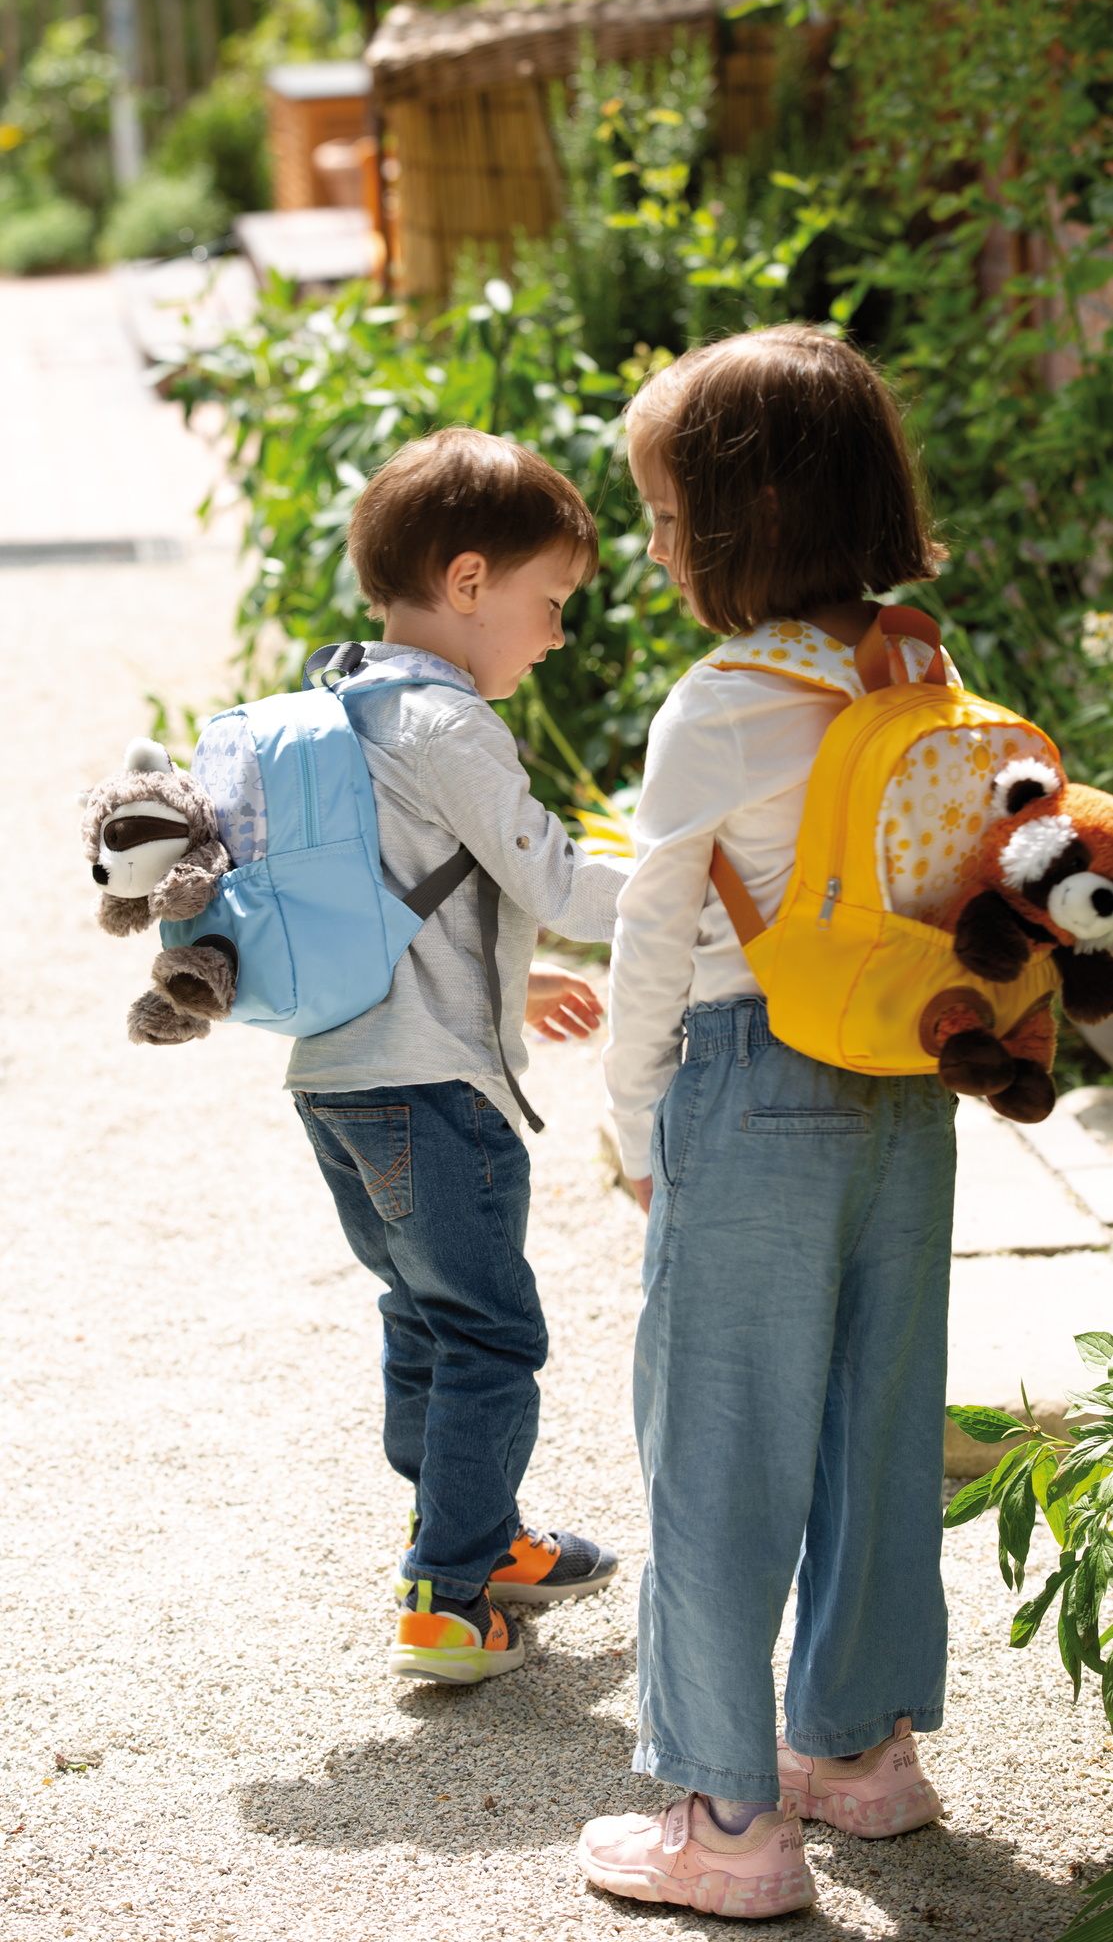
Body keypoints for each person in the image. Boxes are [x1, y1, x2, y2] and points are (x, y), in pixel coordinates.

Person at [579, 327, 957, 1919]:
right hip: (907, 1092)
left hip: (753, 1082)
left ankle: (726, 1823)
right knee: (879, 1419)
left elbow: (654, 934)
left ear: (744, 519)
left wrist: (629, 1128)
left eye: (669, 516)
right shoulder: (921, 663)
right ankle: (861, 1755)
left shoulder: (723, 703)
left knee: (718, 1452)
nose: (657, 549)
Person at [288, 428, 627, 1687]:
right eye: (550, 604)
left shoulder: (343, 701)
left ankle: (463, 1532)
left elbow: (395, 892)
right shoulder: (451, 719)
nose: (554, 636)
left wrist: (509, 970)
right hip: (435, 1085)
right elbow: (561, 879)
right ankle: (448, 1589)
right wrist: (714, 886)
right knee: (491, 1332)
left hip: (338, 1077)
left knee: (426, 1313)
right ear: (472, 581)